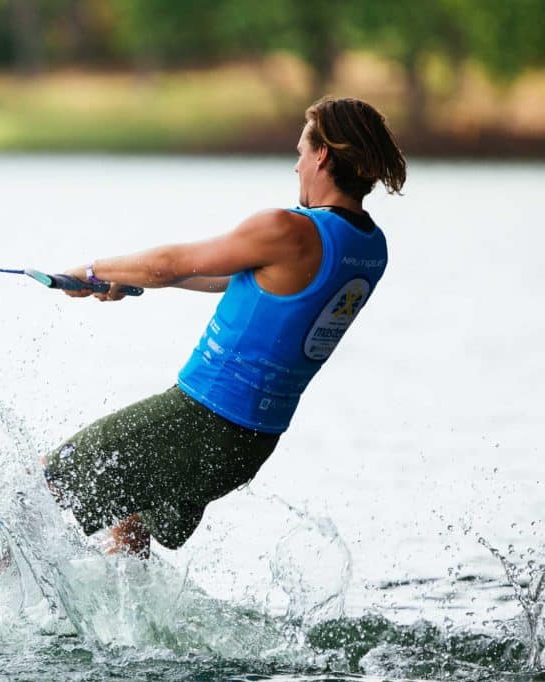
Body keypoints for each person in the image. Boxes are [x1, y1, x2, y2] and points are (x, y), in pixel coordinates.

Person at [42, 96, 407, 558]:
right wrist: (121, 277)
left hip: (199, 418)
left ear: (323, 155)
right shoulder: (370, 248)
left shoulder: (289, 229)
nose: (296, 167)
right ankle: (125, 621)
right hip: (248, 445)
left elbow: (169, 265)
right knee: (128, 509)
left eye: (300, 152)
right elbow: (235, 279)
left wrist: (93, 268)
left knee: (44, 486)